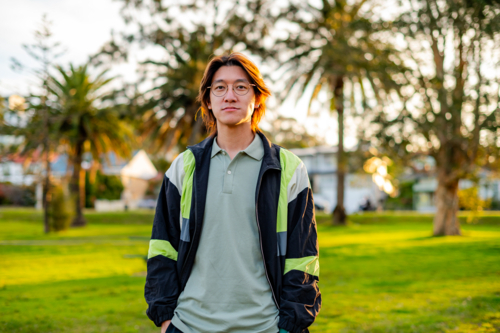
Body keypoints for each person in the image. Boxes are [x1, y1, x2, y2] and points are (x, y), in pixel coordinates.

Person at [144, 53, 321, 333]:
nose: (230, 96)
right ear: (208, 100)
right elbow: (162, 249)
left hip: (265, 327)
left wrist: (290, 325)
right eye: (220, 88)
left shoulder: (289, 168)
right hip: (189, 326)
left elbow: (303, 257)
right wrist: (166, 320)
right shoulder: (183, 167)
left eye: (241, 87)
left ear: (257, 98)